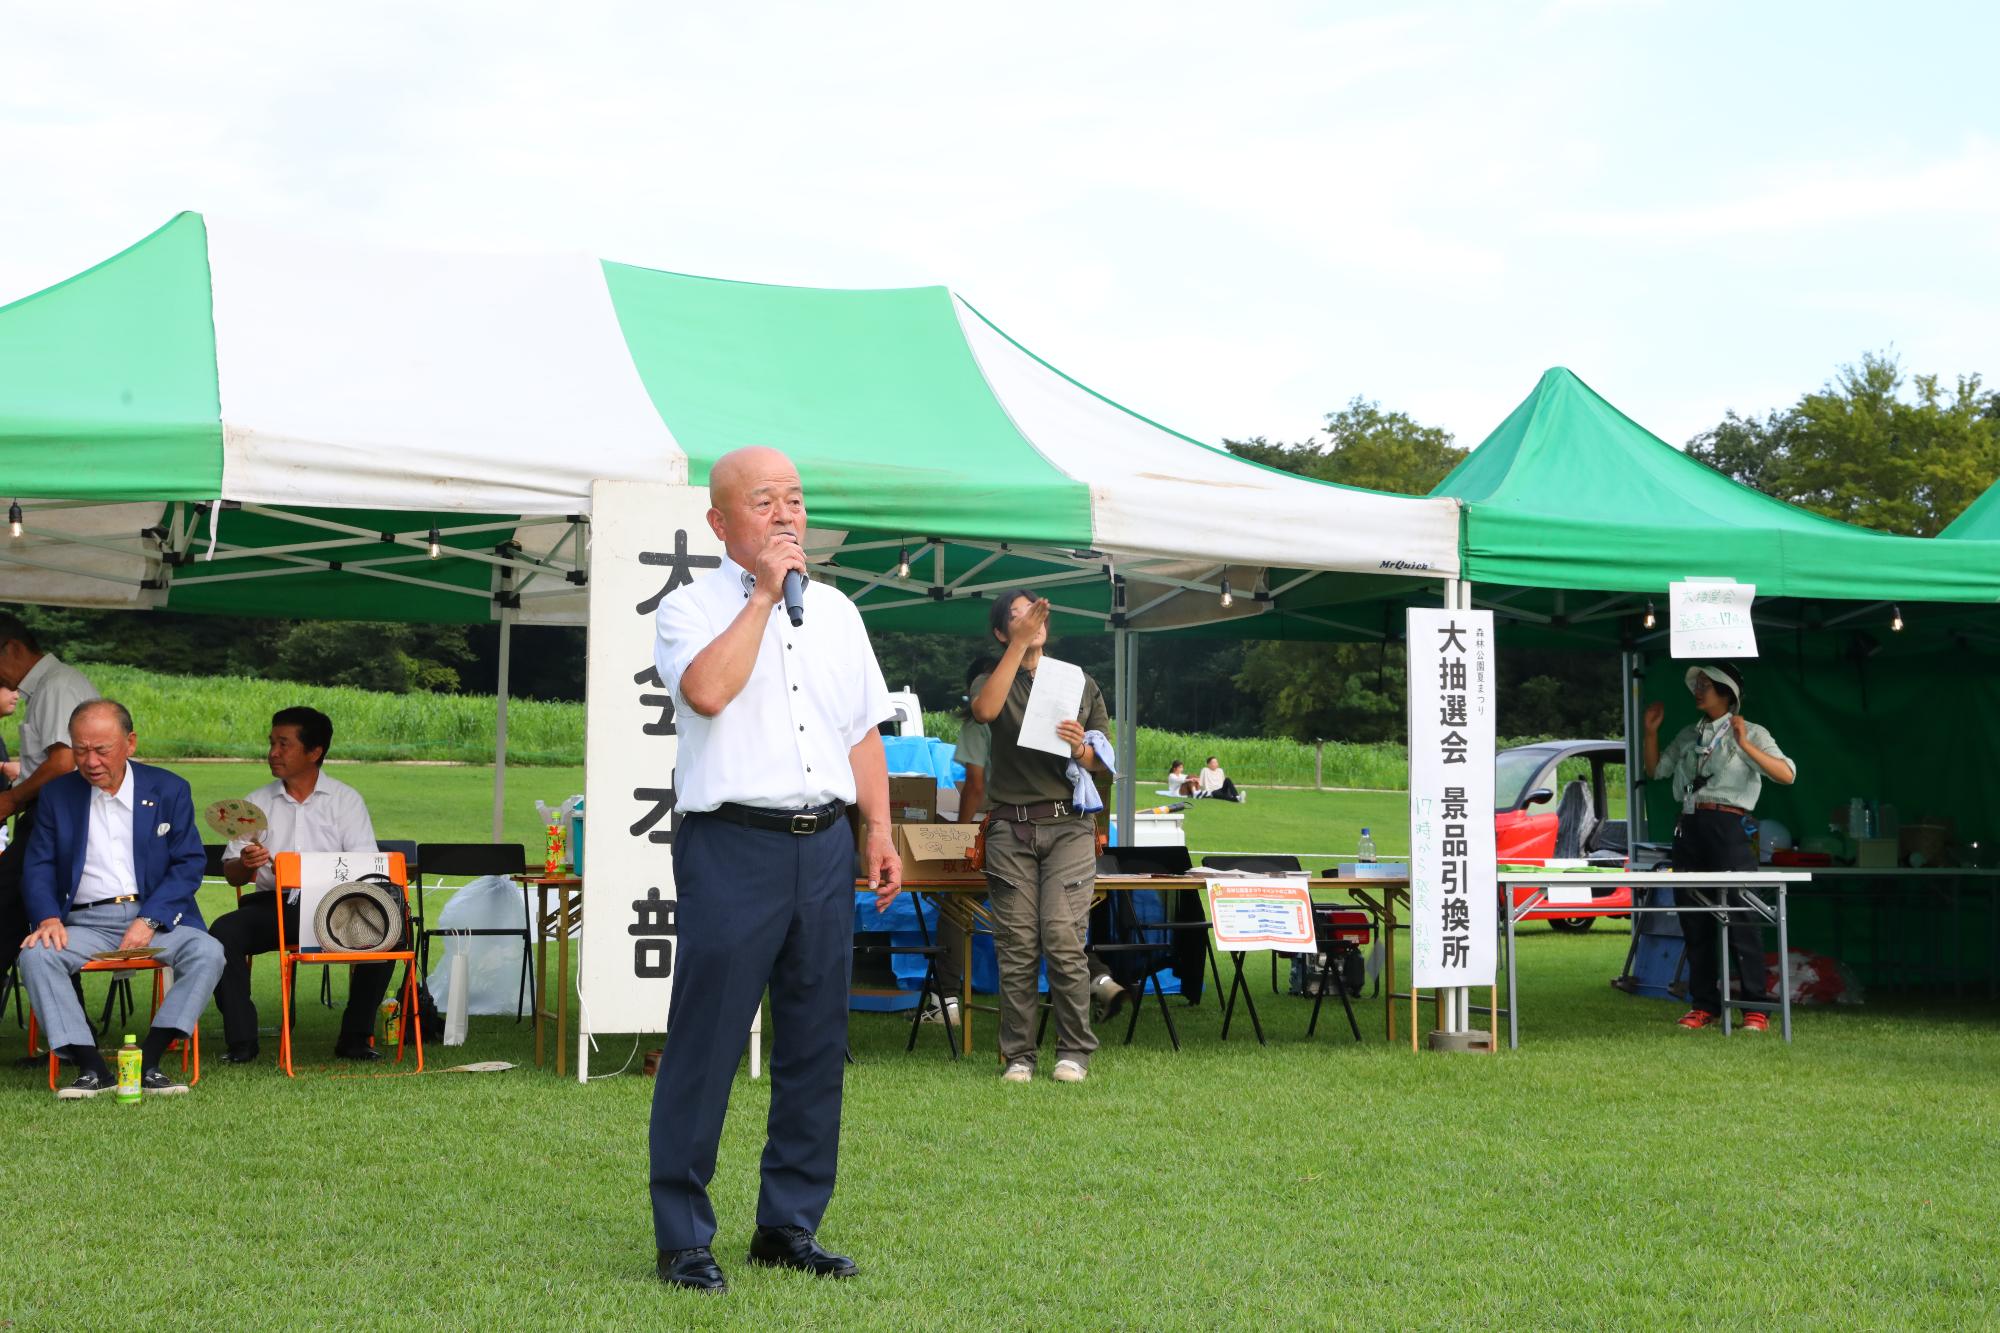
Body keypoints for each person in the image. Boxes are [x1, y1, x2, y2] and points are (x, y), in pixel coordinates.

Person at [648, 446, 899, 1294]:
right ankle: (683, 1235)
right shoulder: (688, 607)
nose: (786, 515)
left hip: (826, 844)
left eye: (794, 499)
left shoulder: (838, 611)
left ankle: (788, 1225)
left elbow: (861, 731)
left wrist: (880, 827)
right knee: (708, 1041)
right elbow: (709, 692)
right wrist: (762, 594)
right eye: (765, 502)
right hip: (733, 846)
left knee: (817, 1042)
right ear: (721, 523)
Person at [17, 700, 223, 1097]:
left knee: (209, 951)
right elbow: (38, 866)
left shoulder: (169, 789)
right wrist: (47, 918)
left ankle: (149, 1059)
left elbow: (189, 864)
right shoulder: (58, 795)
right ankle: (92, 1067)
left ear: (130, 743)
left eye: (102, 750)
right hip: (84, 923)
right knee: (36, 956)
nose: (90, 761)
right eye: (80, 750)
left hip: (155, 918)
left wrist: (149, 920)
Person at [969, 588, 1112, 1085]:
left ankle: (1074, 1051)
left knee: (1062, 935)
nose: (1031, 620)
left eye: (1035, 613)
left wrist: (1082, 752)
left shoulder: (1077, 681)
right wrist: (1019, 647)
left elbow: (1101, 758)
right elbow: (985, 712)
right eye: (1017, 616)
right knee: (1017, 942)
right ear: (1000, 631)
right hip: (1010, 825)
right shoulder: (991, 679)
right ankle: (1019, 1056)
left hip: (1069, 824)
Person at [208, 707, 389, 1063]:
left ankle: (355, 1036)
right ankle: (242, 1041)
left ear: (315, 751)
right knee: (222, 933)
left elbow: (364, 865)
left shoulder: (345, 800)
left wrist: (308, 873)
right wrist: (245, 865)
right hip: (273, 906)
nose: (273, 752)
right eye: (272, 743)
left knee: (385, 931)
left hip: (333, 906)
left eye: (283, 744)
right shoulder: (255, 803)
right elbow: (232, 875)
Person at [1644, 663, 1796, 1032]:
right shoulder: (1687, 734)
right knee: (1693, 918)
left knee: (1741, 916)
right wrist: (1650, 732)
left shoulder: (1751, 731)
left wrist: (1744, 745)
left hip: (1729, 827)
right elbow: (1655, 771)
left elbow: (1787, 774)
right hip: (1689, 825)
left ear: (1728, 694)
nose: (1699, 689)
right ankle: (1703, 1004)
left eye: (1708, 685)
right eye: (1697, 684)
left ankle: (1755, 1008)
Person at [0, 613, 100, 986]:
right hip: (53, 812)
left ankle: (72, 1034)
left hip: (56, 814)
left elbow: (62, 763)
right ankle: (72, 1035)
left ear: (12, 647)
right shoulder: (50, 686)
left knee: (8, 908)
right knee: (39, 924)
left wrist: (11, 801)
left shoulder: (56, 686)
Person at [926, 655, 1000, 1026]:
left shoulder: (978, 723)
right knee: (1046, 916)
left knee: (955, 908)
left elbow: (975, 784)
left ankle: (947, 1001)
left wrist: (964, 830)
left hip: (995, 833)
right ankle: (1099, 978)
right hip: (1041, 829)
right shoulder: (1031, 716)